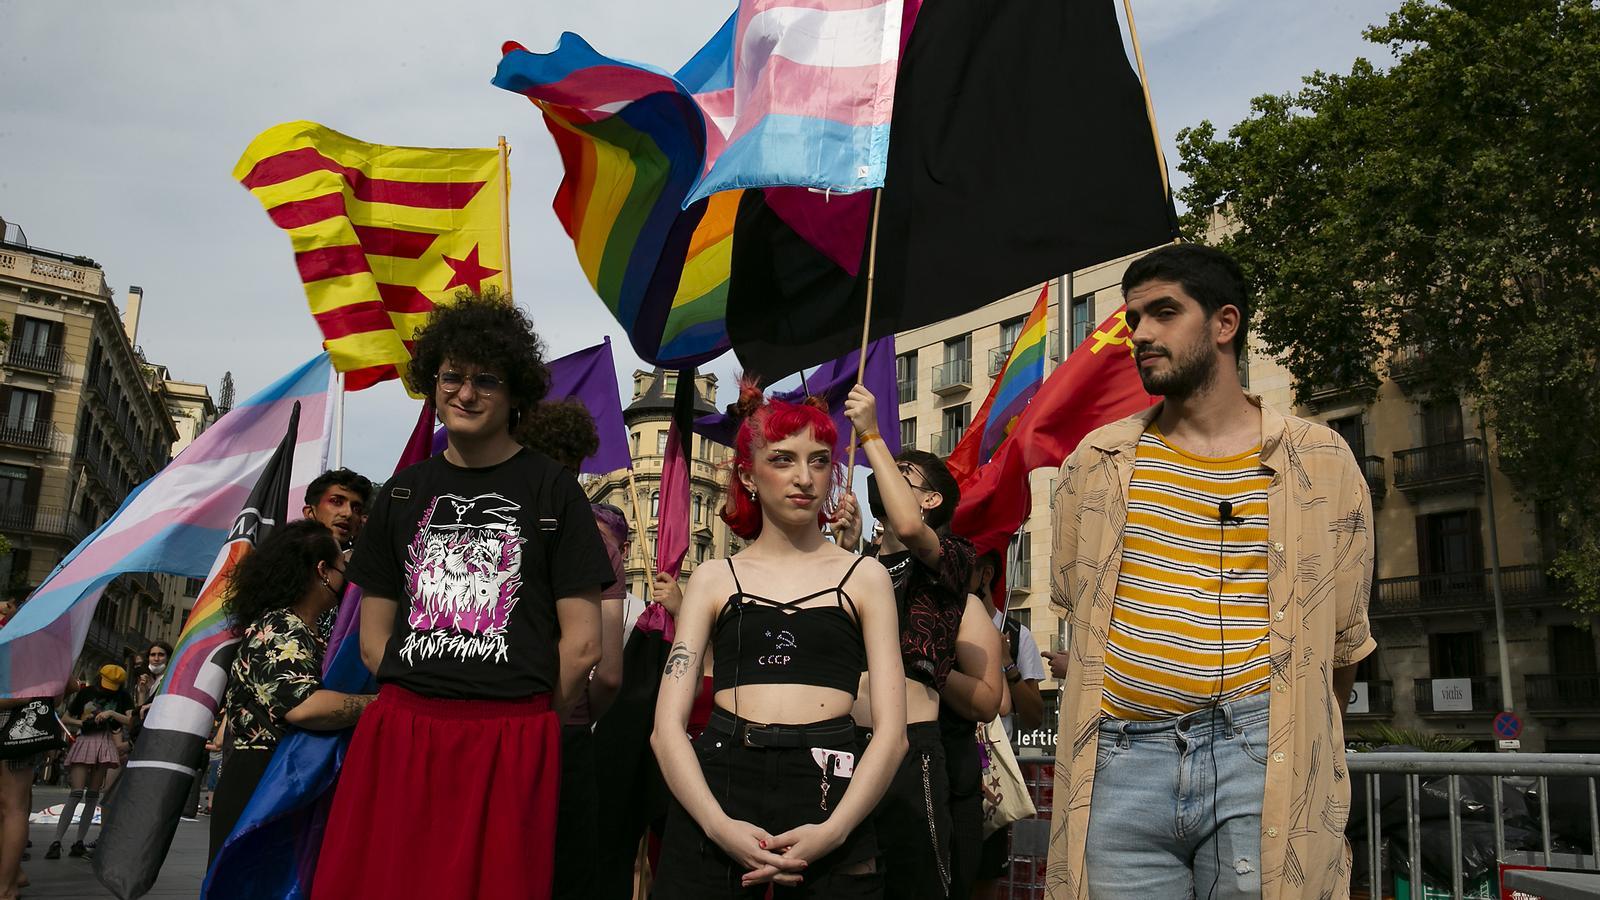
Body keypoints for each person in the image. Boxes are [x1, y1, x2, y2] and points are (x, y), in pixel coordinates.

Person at [1041, 244, 1376, 900]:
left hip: (1260, 761)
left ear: (1225, 324)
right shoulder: (1096, 461)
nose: (1140, 335)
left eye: (1164, 312)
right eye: (1134, 318)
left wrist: (1304, 756)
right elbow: (1074, 604)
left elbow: (1341, 643)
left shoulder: (1321, 461)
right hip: (1119, 762)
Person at [311, 293, 613, 900]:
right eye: (452, 376)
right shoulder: (401, 494)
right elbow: (372, 642)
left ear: (515, 392)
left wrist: (518, 715)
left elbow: (583, 647)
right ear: (432, 382)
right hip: (402, 736)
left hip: (511, 739)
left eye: (485, 379)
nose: (465, 393)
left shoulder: (554, 492)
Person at [650, 385, 906, 899]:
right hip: (721, 780)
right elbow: (666, 730)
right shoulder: (713, 578)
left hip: (832, 787)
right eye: (783, 459)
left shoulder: (866, 578)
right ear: (747, 473)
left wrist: (832, 832)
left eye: (819, 462)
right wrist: (719, 826)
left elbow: (892, 734)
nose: (803, 477)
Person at [837, 385, 1002, 900]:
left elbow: (907, 526)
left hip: (911, 751)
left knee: (915, 886)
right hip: (844, 746)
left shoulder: (951, 557)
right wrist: (842, 555)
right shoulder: (856, 565)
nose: (883, 471)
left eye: (902, 474)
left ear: (930, 500)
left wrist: (870, 433)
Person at [209, 519, 376, 862]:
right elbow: (305, 706)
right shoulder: (281, 626)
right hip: (264, 779)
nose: (348, 578)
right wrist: (378, 705)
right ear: (322, 571)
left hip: (281, 777)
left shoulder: (305, 631)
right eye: (342, 567)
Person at [518, 397, 614, 900]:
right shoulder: (596, 538)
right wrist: (568, 714)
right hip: (562, 728)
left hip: (495, 725)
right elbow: (605, 666)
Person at [970, 552, 1045, 900]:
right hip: (942, 766)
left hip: (991, 778)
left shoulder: (1016, 634)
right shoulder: (942, 623)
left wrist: (1007, 665)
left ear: (985, 574)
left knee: (985, 878)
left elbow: (1033, 715)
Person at [44, 665, 132, 859]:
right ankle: (56, 841)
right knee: (75, 794)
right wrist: (83, 723)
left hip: (106, 742)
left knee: (92, 796)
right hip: (85, 740)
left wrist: (111, 715)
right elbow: (66, 717)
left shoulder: (123, 695)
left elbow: (132, 721)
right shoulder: (86, 693)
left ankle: (79, 842)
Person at [301, 468, 373, 551]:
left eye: (356, 509)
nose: (348, 513)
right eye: (336, 502)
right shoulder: (286, 558)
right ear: (310, 512)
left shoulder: (366, 561)